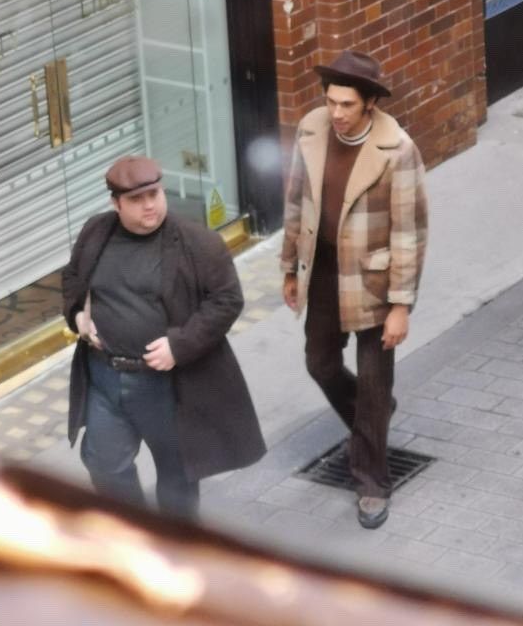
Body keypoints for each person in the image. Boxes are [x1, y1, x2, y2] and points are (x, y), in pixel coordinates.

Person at [63, 155, 266, 517]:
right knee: (104, 464)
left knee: (178, 475)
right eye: (136, 200)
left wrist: (179, 345)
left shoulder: (198, 243)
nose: (149, 206)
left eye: (154, 194)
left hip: (165, 385)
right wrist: (77, 314)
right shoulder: (96, 231)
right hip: (105, 377)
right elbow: (72, 279)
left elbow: (227, 300)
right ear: (116, 204)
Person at [280, 51, 427, 529]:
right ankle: (374, 418)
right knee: (319, 362)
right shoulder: (312, 129)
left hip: (374, 279)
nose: (337, 113)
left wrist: (401, 306)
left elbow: (410, 233)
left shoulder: (398, 150)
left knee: (373, 382)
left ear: (370, 105)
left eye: (346, 105)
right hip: (323, 270)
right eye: (331, 102)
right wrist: (288, 268)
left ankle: (372, 482)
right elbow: (296, 204)